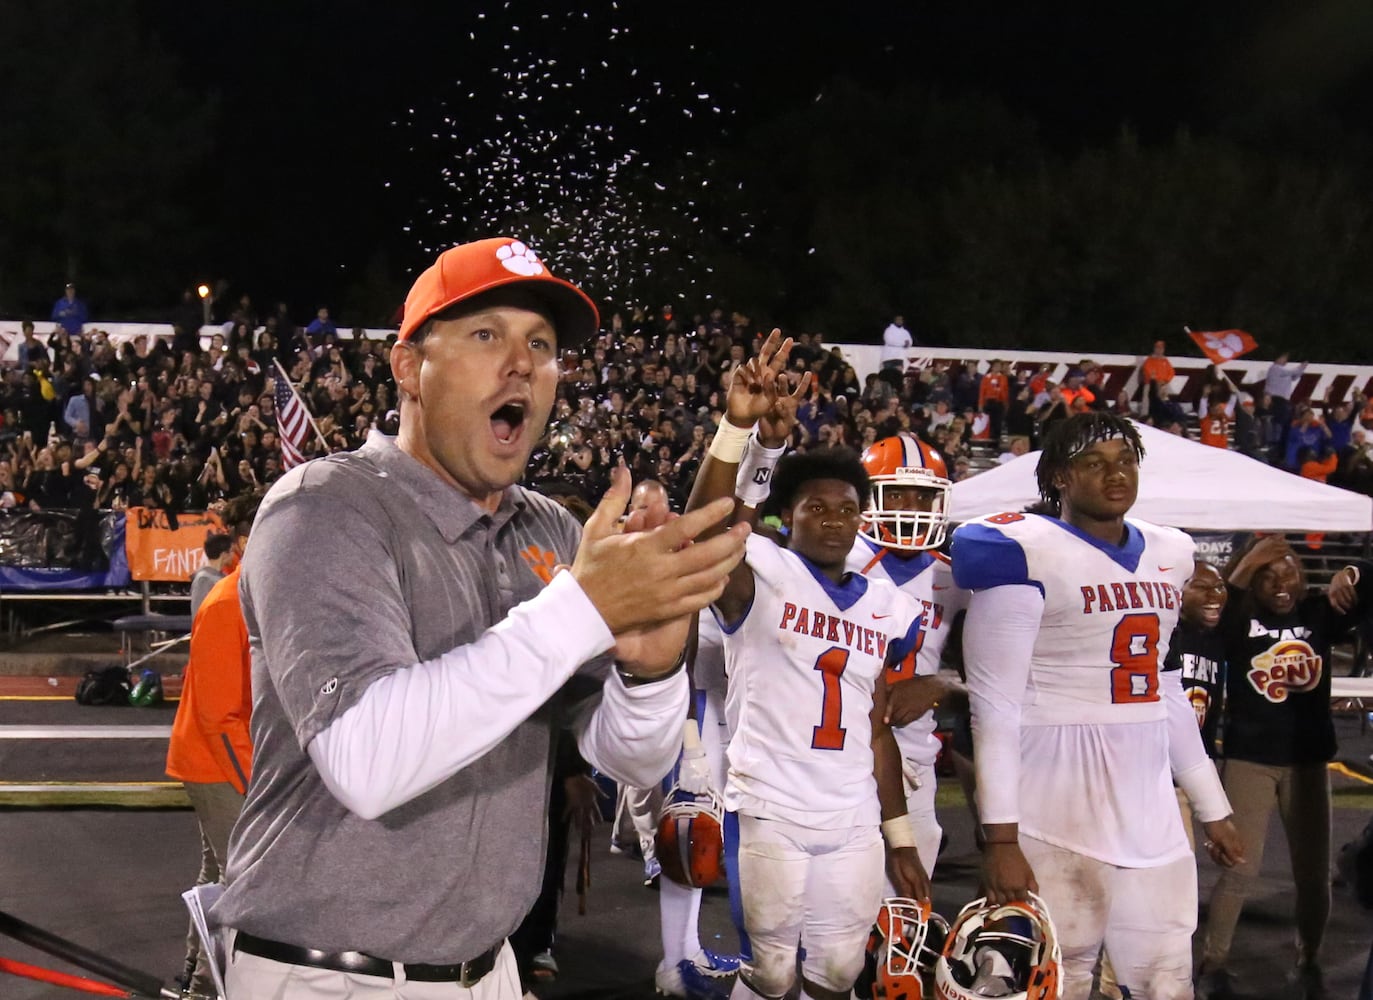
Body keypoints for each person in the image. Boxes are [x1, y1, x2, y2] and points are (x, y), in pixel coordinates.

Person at [212, 236, 749, 1000]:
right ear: (408, 368)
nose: (523, 364)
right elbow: (366, 762)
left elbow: (626, 759)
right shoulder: (325, 508)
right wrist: (585, 608)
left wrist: (650, 668)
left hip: (490, 969)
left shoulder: (551, 534)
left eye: (542, 345)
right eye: (486, 335)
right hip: (327, 973)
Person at [950, 411, 1243, 1000]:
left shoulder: (1171, 550)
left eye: (1126, 462)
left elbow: (1164, 687)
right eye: (1094, 463)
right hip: (1055, 797)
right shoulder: (1017, 547)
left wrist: (1213, 806)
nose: (1116, 475)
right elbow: (995, 706)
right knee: (1056, 978)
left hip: (1149, 801)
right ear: (1059, 475)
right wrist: (1001, 839)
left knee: (1164, 979)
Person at [686, 331, 929, 1000]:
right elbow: (706, 529)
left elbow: (877, 725)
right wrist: (749, 438)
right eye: (814, 507)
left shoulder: (885, 604)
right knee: (772, 973)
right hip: (770, 805)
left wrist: (900, 836)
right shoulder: (764, 569)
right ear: (786, 516)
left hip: (851, 812)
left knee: (840, 972)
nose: (832, 520)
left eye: (846, 509)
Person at [1197, 536, 1371, 1000]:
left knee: (1312, 873)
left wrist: (1350, 574)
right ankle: (1213, 963)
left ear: (1303, 577)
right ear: (1253, 580)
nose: (1280, 583)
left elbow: (1364, 595)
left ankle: (1309, 958)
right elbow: (1224, 605)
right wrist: (1251, 558)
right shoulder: (1239, 620)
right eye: (1268, 575)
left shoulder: (1317, 613)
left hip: (1308, 760)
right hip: (1250, 759)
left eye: (1289, 572)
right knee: (1240, 869)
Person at [166, 493, 261, 998]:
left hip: (218, 755)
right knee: (240, 880)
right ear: (245, 539)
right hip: (217, 762)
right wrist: (254, 785)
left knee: (217, 875)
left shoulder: (254, 590)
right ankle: (205, 987)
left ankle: (193, 980)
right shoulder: (229, 600)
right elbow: (220, 715)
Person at [1162, 560, 1228, 846]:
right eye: (1201, 587)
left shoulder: (1216, 640)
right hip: (1159, 781)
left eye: (1219, 586)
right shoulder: (1163, 636)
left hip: (1191, 770)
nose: (1214, 594)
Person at [190, 532, 233, 620]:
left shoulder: (223, 577)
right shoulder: (203, 580)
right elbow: (198, 615)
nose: (233, 555)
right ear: (224, 554)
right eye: (232, 551)